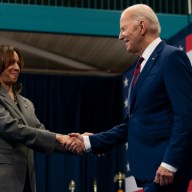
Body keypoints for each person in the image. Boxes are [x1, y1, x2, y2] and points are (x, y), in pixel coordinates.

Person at [69, 4, 192, 192]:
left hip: (165, 173)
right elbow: (132, 124)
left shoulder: (171, 57)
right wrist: (89, 142)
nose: (120, 36)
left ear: (141, 27)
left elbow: (186, 115)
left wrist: (170, 163)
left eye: (123, 29)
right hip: (149, 173)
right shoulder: (141, 67)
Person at [0, 44, 83, 192]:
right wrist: (59, 137)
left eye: (18, 63)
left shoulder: (27, 104)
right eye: (11, 62)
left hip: (27, 183)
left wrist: (80, 143)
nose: (17, 68)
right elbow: (14, 129)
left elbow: (42, 135)